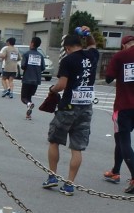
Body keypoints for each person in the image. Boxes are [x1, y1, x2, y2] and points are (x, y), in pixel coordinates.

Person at [41, 27, 98, 196]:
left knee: (54, 140)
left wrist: (52, 89)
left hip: (68, 107)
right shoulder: (93, 56)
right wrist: (88, 35)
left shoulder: (68, 60)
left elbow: (62, 85)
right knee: (77, 148)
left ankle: (52, 176)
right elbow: (93, 44)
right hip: (86, 107)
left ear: (67, 48)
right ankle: (69, 184)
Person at [104, 34, 134, 194]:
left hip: (125, 105)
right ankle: (115, 171)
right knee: (119, 138)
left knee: (124, 140)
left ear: (123, 45)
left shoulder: (121, 56)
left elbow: (108, 78)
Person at [20, 36, 45, 120]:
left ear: (32, 43)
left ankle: (29, 104)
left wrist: (28, 67)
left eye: (30, 42)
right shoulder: (40, 56)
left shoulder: (26, 54)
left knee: (24, 98)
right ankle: (28, 114)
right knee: (29, 96)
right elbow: (43, 67)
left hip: (27, 79)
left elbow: (23, 66)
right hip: (36, 80)